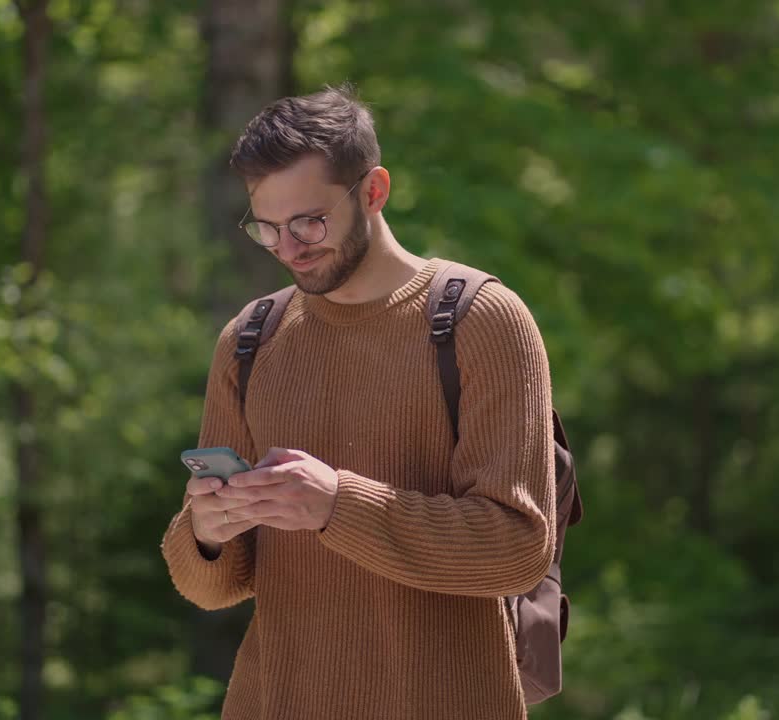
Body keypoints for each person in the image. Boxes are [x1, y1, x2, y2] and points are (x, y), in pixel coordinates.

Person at [160, 83, 556, 720]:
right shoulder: (249, 340)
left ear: (373, 191)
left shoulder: (481, 319)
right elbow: (213, 587)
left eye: (309, 222)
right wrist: (205, 533)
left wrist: (337, 504)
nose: (288, 248)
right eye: (266, 228)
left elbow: (517, 549)